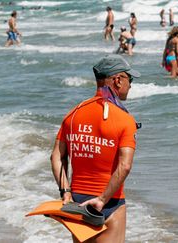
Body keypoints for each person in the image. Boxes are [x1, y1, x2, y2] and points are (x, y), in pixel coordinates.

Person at [50, 55, 140, 243]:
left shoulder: (73, 114)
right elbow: (124, 167)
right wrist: (101, 199)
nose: (130, 85)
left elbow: (57, 156)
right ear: (118, 80)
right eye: (129, 79)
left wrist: (65, 192)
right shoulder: (125, 119)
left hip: (77, 203)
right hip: (108, 204)